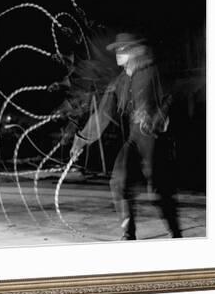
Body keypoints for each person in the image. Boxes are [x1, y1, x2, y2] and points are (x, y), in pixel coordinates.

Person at [70, 33, 181, 240]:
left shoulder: (152, 71)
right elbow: (102, 114)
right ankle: (129, 233)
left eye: (122, 50)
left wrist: (158, 117)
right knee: (119, 180)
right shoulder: (119, 82)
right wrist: (81, 140)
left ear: (134, 51)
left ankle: (175, 233)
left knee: (159, 187)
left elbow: (169, 96)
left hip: (155, 139)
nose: (118, 54)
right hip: (134, 139)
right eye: (117, 50)